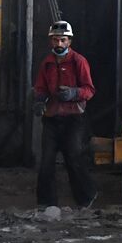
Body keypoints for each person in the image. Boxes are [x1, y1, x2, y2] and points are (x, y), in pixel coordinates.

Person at [32, 20, 98, 208]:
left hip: (74, 119)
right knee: (46, 162)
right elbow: (41, 88)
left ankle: (86, 197)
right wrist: (39, 101)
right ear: (51, 41)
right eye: (55, 40)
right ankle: (46, 204)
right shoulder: (47, 63)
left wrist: (74, 93)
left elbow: (89, 90)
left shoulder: (79, 61)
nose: (58, 44)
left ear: (69, 41)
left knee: (74, 157)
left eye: (62, 40)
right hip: (52, 119)